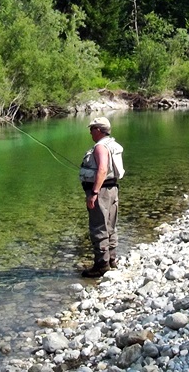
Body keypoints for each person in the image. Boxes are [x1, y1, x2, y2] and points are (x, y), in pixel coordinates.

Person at [79, 116, 122, 278]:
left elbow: (102, 169)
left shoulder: (100, 147)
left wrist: (94, 193)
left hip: (101, 191)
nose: (90, 132)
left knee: (98, 226)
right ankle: (111, 260)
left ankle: (101, 266)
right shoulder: (112, 144)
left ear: (98, 130)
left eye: (92, 129)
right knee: (110, 225)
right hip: (112, 189)